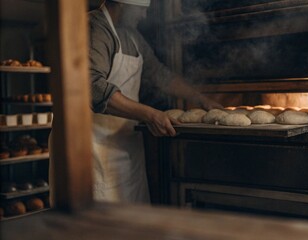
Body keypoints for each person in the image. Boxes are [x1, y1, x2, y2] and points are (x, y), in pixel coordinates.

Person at [87, 0, 221, 203]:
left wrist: (200, 99)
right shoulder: (95, 28)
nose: (144, 16)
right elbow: (93, 88)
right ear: (125, 4)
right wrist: (150, 114)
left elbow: (159, 74)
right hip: (93, 148)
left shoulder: (131, 35)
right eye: (142, 10)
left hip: (126, 147)